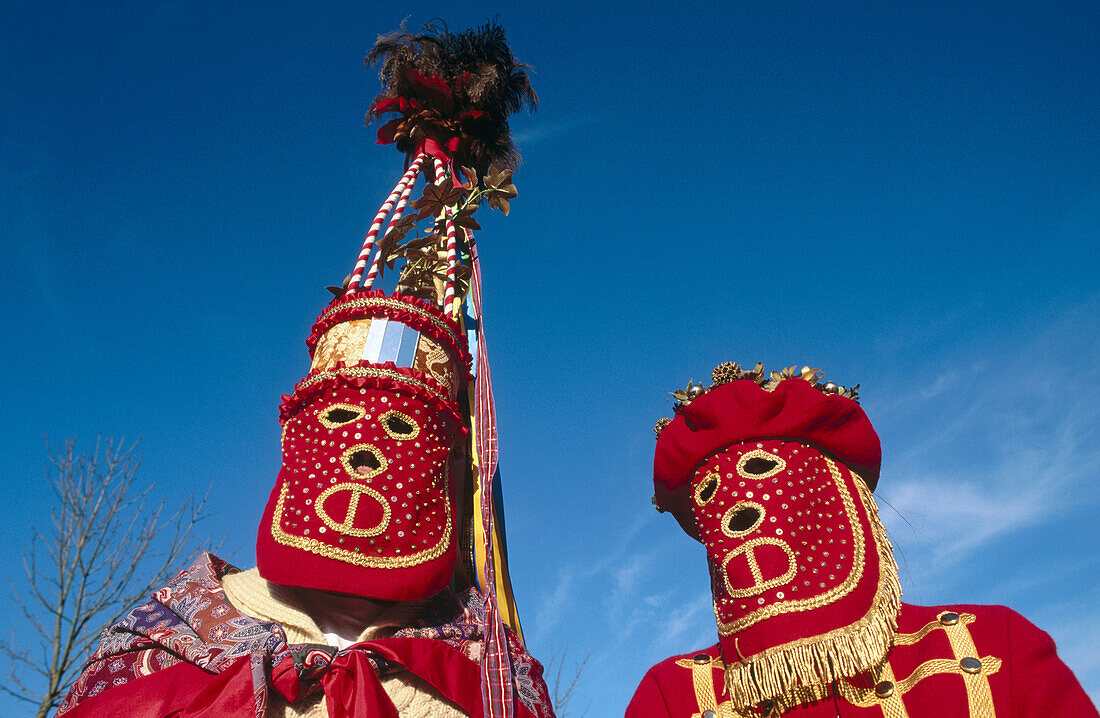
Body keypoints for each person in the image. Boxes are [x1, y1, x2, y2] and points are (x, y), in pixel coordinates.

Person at [57, 22, 552, 718]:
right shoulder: (168, 640)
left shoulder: (489, 671)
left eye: (406, 423)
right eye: (343, 414)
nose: (366, 451)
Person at [627, 362, 1096, 717]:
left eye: (765, 473)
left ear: (835, 502)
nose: (742, 518)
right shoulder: (673, 695)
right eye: (712, 496)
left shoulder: (992, 643)